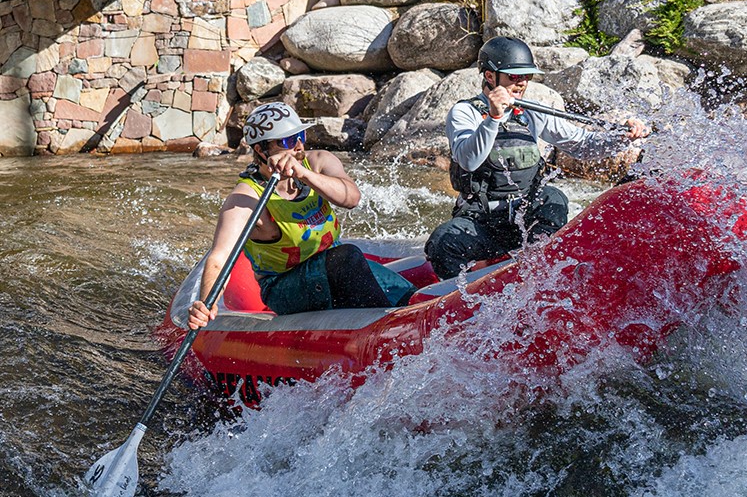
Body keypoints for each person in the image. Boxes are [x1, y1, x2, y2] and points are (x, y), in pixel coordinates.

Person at [424, 37, 649, 280]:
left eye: (526, 77)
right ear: (490, 77)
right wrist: (493, 118)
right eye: (514, 77)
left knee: (553, 198)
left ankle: (538, 273)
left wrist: (622, 137)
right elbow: (469, 160)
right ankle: (464, 296)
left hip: (525, 221)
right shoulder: (465, 112)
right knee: (442, 243)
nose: (521, 83)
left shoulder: (530, 112)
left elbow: (582, 146)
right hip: (482, 223)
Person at [187, 102, 409, 329]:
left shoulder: (318, 162)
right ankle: (386, 332)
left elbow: (351, 198)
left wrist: (304, 175)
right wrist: (206, 303)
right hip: (286, 286)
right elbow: (220, 257)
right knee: (348, 257)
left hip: (335, 266)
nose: (299, 147)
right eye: (287, 141)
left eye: (300, 136)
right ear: (261, 150)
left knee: (405, 296)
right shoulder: (246, 198)